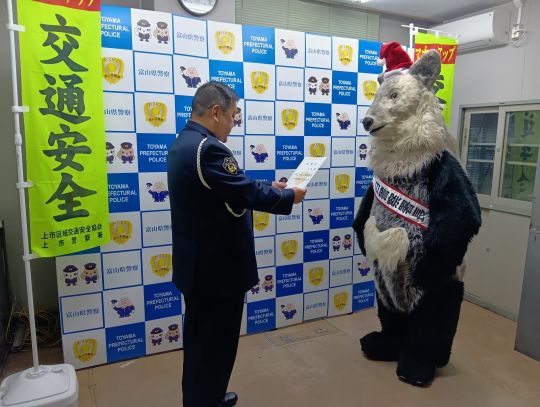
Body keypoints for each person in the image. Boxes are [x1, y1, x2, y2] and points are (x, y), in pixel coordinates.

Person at [168, 81, 306, 407]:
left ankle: (207, 397)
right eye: (233, 115)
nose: (233, 123)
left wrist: (269, 186)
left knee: (203, 344)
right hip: (216, 272)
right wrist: (288, 196)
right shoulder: (209, 149)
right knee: (214, 346)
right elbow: (245, 192)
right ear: (216, 112)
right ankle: (205, 401)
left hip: (199, 267)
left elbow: (228, 188)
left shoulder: (184, 143)